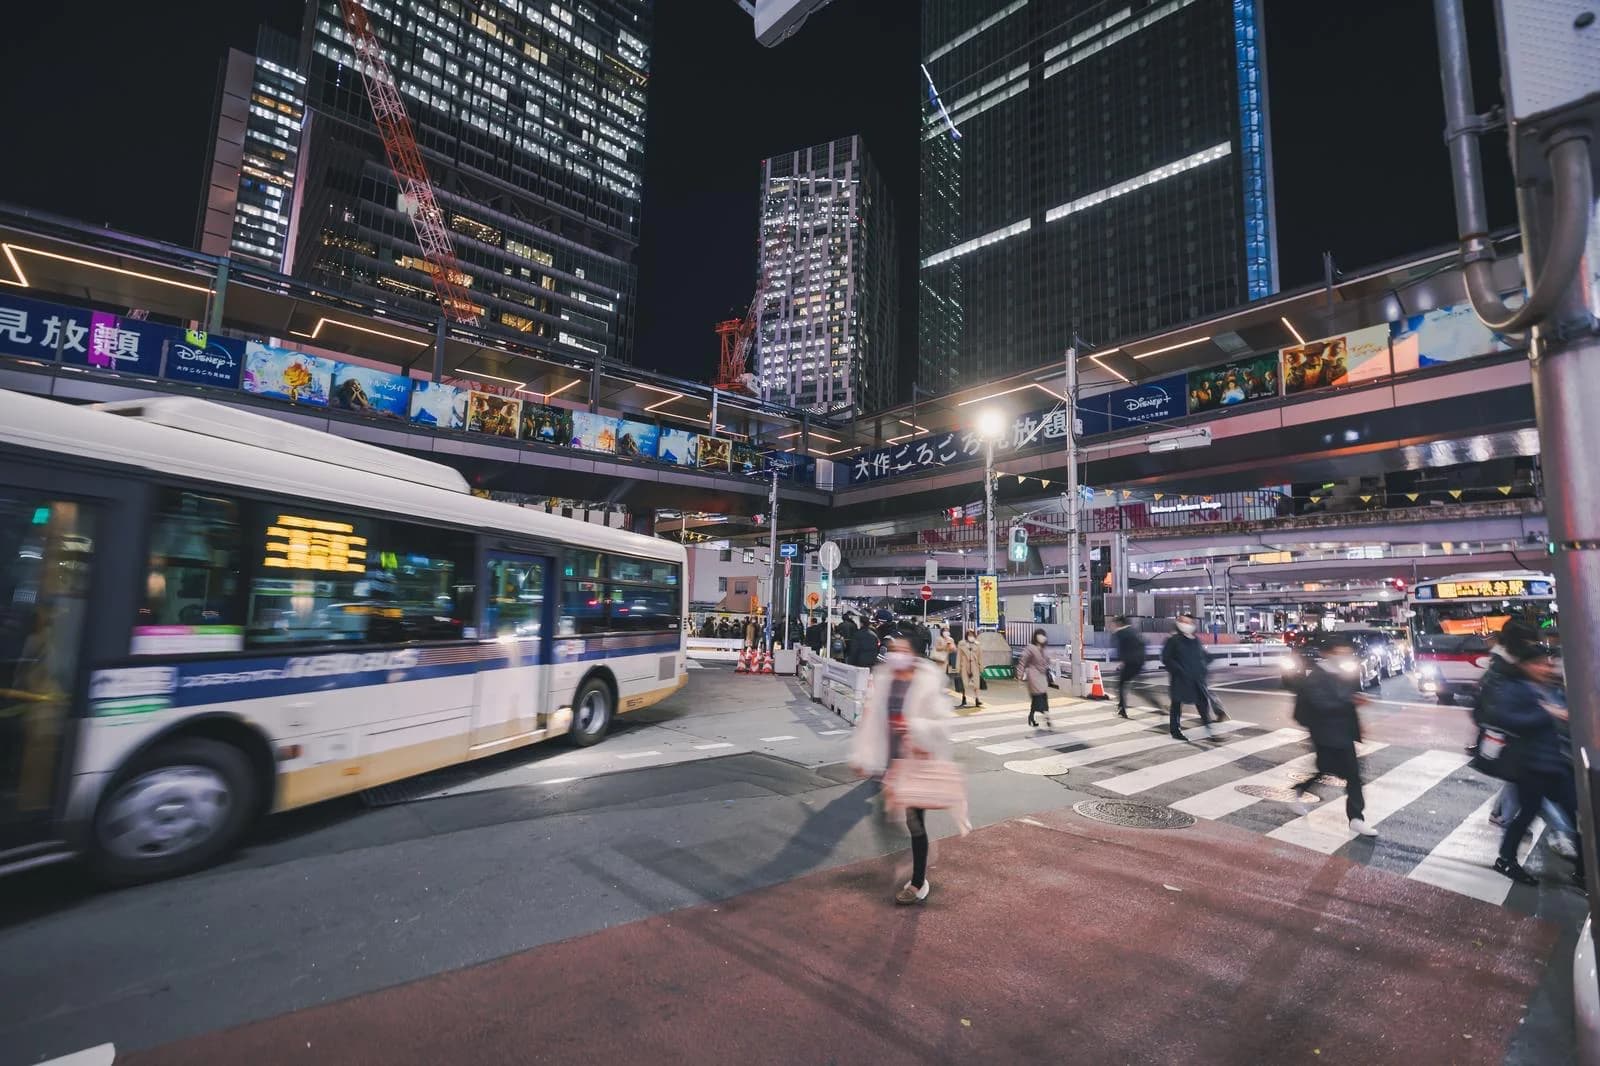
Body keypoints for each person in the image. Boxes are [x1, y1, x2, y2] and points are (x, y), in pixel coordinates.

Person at [850, 635, 955, 905]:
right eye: (893, 649)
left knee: (913, 821)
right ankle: (914, 857)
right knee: (886, 818)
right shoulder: (885, 678)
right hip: (890, 762)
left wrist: (914, 728)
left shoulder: (928, 680)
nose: (896, 654)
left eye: (902, 649)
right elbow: (872, 718)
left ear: (914, 653)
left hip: (916, 761)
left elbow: (943, 722)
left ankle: (918, 881)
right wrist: (863, 755)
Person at [1481, 637, 1584, 887]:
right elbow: (1507, 719)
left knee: (1576, 815)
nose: (1546, 668)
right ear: (1526, 665)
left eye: (1546, 664)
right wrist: (1546, 713)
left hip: (1552, 764)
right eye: (1539, 664)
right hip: (1530, 767)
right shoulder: (1516, 687)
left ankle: (1584, 869)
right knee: (1529, 814)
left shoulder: (1547, 686)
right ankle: (1506, 859)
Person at [1290, 637, 1377, 837]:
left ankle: (1356, 818)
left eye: (1345, 653)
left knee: (1353, 776)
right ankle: (1300, 790)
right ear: (1326, 654)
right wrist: (1351, 701)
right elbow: (1323, 705)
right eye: (1338, 652)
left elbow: (1348, 703)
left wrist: (1357, 726)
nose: (1342, 657)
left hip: (1343, 733)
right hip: (1325, 733)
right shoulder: (1316, 678)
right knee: (1326, 769)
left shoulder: (1342, 674)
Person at [1160, 614, 1213, 741]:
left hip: (1196, 679)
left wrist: (1204, 667)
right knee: (1177, 704)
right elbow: (1166, 658)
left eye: (1189, 622)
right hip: (1180, 678)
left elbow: (1203, 656)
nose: (1187, 624)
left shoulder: (1195, 640)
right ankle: (1175, 730)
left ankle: (1209, 730)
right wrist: (1178, 670)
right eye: (1184, 622)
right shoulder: (1173, 640)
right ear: (1178, 624)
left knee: (1202, 703)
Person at [1111, 616, 1159, 719]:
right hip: (1139, 662)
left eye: (1114, 623)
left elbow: (1120, 649)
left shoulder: (1120, 633)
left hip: (1130, 663)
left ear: (1119, 623)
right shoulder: (1134, 631)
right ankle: (1157, 704)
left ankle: (1122, 708)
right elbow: (1144, 643)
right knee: (1138, 688)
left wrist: (1123, 661)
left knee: (1120, 684)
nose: (1113, 626)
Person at [1018, 628, 1053, 728]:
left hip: (1042, 677)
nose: (1041, 637)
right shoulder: (1030, 648)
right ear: (1035, 636)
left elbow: (1047, 662)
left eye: (1043, 635)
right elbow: (1023, 662)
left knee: (1039, 698)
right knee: (1039, 697)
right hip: (1033, 676)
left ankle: (1031, 716)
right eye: (1039, 635)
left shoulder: (1044, 649)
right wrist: (1019, 676)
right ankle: (1047, 717)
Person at [957, 628, 984, 709]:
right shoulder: (961, 644)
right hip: (964, 666)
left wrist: (981, 667)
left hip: (975, 666)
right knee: (964, 684)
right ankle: (964, 698)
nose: (970, 636)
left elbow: (980, 657)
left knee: (976, 684)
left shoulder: (977, 644)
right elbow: (958, 656)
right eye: (969, 635)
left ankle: (977, 699)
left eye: (972, 635)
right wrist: (958, 667)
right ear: (966, 636)